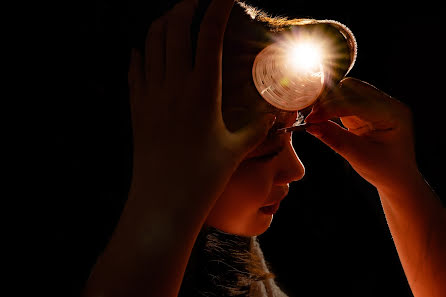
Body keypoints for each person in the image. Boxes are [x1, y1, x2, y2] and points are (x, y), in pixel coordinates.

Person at [81, 0, 446, 296]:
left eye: (289, 131)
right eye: (261, 146)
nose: (297, 169)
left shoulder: (242, 277)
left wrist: (401, 184)